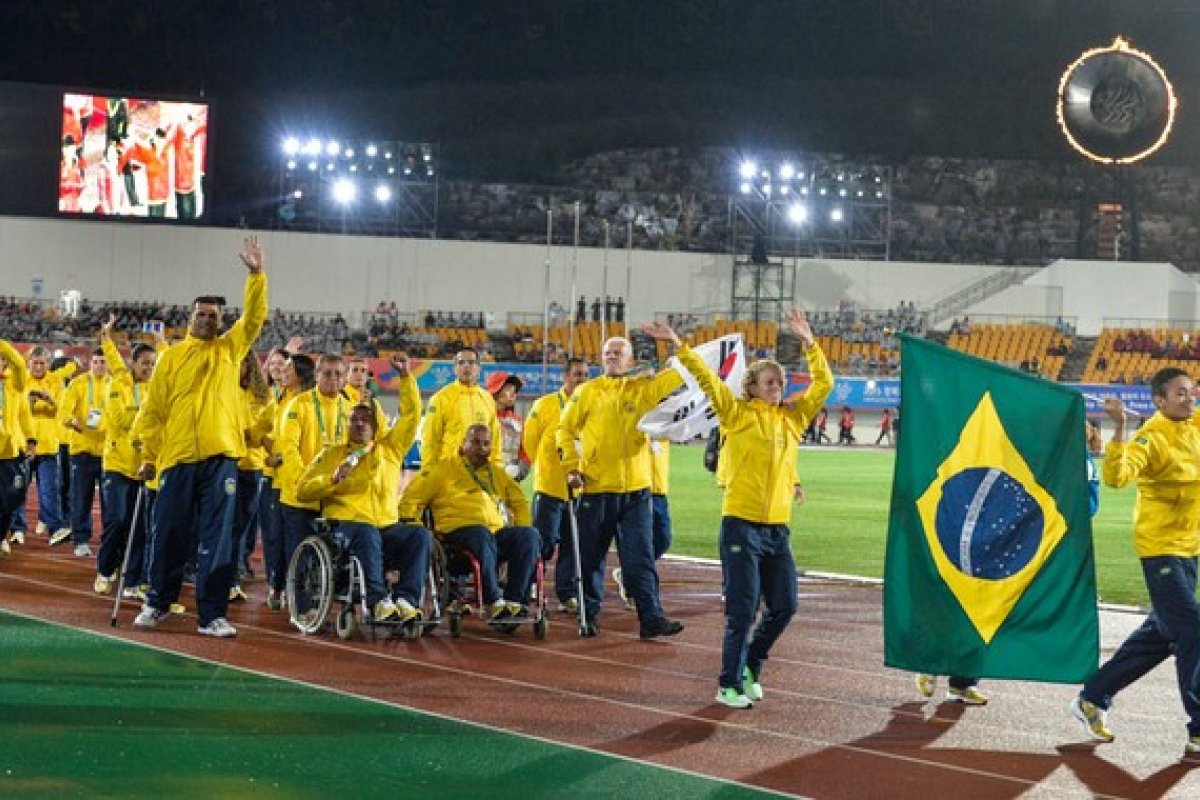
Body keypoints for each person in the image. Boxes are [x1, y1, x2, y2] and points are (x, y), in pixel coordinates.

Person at [648, 310, 833, 708]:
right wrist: (678, 344)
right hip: (740, 527)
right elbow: (706, 379)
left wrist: (810, 342)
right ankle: (728, 684)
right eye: (770, 382)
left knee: (785, 606)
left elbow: (825, 384)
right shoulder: (735, 415)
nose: (778, 387)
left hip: (776, 530)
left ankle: (752, 662)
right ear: (752, 387)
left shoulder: (793, 420)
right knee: (742, 611)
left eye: (780, 382)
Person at [130, 235, 267, 637]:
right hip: (175, 459)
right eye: (200, 315)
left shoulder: (230, 349)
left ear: (221, 322)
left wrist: (256, 275)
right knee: (168, 532)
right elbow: (153, 412)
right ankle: (158, 602)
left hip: (221, 457)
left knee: (218, 538)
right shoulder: (171, 357)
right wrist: (149, 455)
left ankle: (212, 615)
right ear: (189, 318)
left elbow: (255, 319)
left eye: (213, 316)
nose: (206, 320)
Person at [1071, 370, 1200, 753]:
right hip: (1159, 549)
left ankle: (1093, 696)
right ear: (1159, 401)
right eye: (1181, 393)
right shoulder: (1151, 437)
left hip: (1190, 548)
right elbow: (1115, 476)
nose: (1189, 398)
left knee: (1161, 636)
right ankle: (1198, 728)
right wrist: (1120, 427)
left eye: (1192, 392)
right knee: (1193, 628)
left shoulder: (1194, 425)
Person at [555, 332, 686, 638]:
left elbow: (683, 373)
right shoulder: (587, 391)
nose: (612, 357)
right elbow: (564, 430)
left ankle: (651, 617)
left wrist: (676, 343)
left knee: (640, 558)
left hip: (637, 491)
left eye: (618, 353)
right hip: (597, 488)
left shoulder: (644, 388)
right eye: (608, 353)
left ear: (630, 360)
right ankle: (588, 614)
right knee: (590, 558)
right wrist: (571, 468)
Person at [296, 353, 429, 623]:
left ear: (376, 425)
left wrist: (406, 377)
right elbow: (303, 490)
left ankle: (406, 599)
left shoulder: (390, 449)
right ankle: (378, 602)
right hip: (348, 526)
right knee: (367, 533)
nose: (359, 424)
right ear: (347, 424)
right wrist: (331, 480)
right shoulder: (332, 454)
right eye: (354, 420)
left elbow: (412, 415)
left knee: (420, 535)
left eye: (365, 420)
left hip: (385, 525)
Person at [399, 424, 540, 623]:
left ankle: (515, 601)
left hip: (492, 535)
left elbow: (519, 501)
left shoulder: (496, 473)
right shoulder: (443, 469)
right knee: (480, 534)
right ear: (463, 444)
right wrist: (414, 525)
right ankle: (494, 600)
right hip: (457, 538)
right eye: (475, 442)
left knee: (529, 535)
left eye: (486, 444)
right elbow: (412, 498)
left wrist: (523, 524)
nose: (481, 448)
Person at [276, 353, 354, 601]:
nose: (333, 379)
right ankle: (300, 603)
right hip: (301, 495)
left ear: (344, 379)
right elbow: (288, 448)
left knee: (338, 554)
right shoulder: (299, 405)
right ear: (317, 375)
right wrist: (302, 481)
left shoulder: (350, 409)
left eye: (338, 374)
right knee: (301, 552)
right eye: (327, 373)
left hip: (334, 495)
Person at [93, 316, 160, 595]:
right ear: (133, 363)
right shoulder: (117, 382)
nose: (149, 368)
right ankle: (105, 569)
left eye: (153, 364)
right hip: (118, 464)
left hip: (144, 466)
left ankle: (131, 579)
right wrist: (107, 336)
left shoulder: (154, 388)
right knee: (118, 520)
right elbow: (120, 420)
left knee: (141, 527)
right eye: (145, 363)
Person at [523, 357, 590, 612]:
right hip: (550, 487)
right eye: (577, 374)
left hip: (579, 488)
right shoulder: (545, 405)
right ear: (565, 377)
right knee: (544, 541)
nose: (581, 379)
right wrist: (546, 466)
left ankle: (567, 593)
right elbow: (530, 441)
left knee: (573, 544)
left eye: (585, 375)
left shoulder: (590, 406)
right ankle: (530, 582)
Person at [12, 346, 76, 545]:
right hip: (24, 445)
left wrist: (51, 400)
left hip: (48, 445)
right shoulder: (21, 380)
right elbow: (16, 411)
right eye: (35, 362)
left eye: (42, 363)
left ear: (48, 364)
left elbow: (64, 409)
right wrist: (29, 403)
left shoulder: (56, 381)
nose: (38, 367)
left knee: (50, 490)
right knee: (18, 490)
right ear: (28, 362)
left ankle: (55, 527)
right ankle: (17, 529)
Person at [55, 346, 109, 556]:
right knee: (81, 497)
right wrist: (71, 421)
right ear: (90, 363)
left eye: (103, 362)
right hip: (82, 450)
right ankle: (81, 539)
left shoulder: (115, 384)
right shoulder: (78, 384)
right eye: (96, 362)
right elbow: (63, 412)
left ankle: (109, 540)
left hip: (108, 452)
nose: (99, 366)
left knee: (109, 501)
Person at [420, 347, 502, 469]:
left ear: (478, 368)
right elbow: (430, 440)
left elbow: (494, 439)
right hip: (450, 472)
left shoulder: (487, 399)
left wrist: (496, 467)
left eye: (471, 362)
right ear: (455, 368)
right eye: (461, 362)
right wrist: (428, 471)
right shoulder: (440, 399)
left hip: (480, 472)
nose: (466, 366)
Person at [0, 338, 37, 557]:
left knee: (10, 499)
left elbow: (21, 365)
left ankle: (1, 535)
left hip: (9, 453)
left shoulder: (14, 386)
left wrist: (1, 343)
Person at [486, 370, 530, 481]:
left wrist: (521, 469)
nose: (513, 393)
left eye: (514, 390)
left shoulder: (517, 422)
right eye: (508, 388)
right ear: (496, 390)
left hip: (509, 482)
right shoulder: (481, 417)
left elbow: (525, 451)